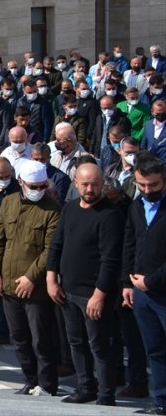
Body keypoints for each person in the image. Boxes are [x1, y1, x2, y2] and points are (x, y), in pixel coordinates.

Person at [45, 163, 122, 406]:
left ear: (102, 184)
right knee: (76, 343)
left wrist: (99, 295)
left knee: (99, 345)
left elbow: (110, 259)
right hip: (68, 291)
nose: (90, 189)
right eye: (85, 184)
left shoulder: (110, 214)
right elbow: (56, 245)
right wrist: (51, 279)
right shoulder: (69, 209)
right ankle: (85, 387)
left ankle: (106, 394)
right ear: (76, 183)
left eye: (95, 184)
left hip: (94, 293)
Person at [0, 159, 61, 397]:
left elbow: (50, 250)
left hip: (36, 289)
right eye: (34, 186)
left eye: (42, 186)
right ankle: (30, 380)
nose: (38, 190)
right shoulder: (8, 203)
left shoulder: (53, 209)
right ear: (20, 182)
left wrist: (31, 277)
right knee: (18, 337)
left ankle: (47, 385)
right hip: (9, 285)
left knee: (41, 339)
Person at [123, 153, 166, 416]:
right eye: (142, 185)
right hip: (142, 294)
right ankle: (161, 400)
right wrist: (127, 281)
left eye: (153, 185)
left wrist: (151, 281)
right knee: (155, 349)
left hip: (159, 290)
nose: (148, 190)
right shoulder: (137, 206)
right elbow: (130, 243)